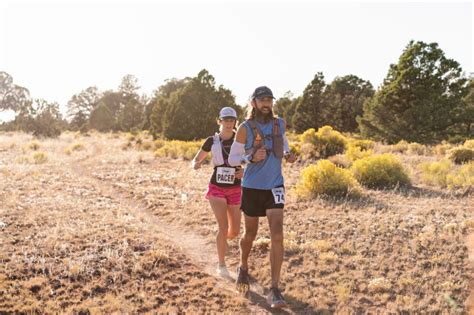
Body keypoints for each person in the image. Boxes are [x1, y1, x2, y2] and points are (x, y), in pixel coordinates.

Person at [228, 86, 296, 309]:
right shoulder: (245, 129)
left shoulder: (280, 123)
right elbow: (232, 160)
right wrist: (250, 158)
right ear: (254, 102)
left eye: (269, 100)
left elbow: (283, 143)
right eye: (262, 100)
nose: (266, 103)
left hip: (275, 186)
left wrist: (288, 153)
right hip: (252, 187)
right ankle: (243, 266)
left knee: (277, 233)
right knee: (250, 234)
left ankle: (275, 289)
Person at [192, 107, 244, 277]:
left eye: (232, 120)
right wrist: (196, 164)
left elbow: (252, 161)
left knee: (234, 231)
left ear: (235, 122)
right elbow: (197, 158)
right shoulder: (211, 141)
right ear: (219, 121)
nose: (229, 123)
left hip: (236, 187)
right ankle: (221, 264)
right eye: (226, 120)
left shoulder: (241, 139)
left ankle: (222, 242)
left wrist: (244, 171)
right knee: (223, 227)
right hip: (216, 188)